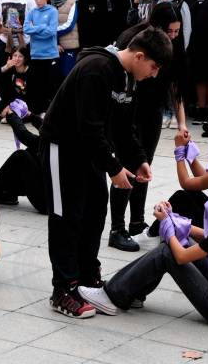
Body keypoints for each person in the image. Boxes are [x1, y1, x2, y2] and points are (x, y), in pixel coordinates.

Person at [40, 27, 172, 318]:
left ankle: (87, 279)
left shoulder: (128, 78)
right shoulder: (95, 69)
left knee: (95, 211)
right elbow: (89, 128)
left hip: (89, 152)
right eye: (153, 67)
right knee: (66, 217)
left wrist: (138, 159)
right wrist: (113, 168)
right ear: (139, 56)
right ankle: (63, 288)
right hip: (62, 147)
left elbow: (123, 127)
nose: (154, 74)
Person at [78, 179, 208, 325]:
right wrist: (174, 220)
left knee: (167, 252)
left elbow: (181, 257)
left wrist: (168, 227)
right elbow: (207, 236)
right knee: (183, 241)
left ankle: (112, 295)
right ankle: (134, 294)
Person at [108, 3, 189, 252]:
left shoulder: (172, 47)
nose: (173, 36)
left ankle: (136, 221)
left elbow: (175, 87)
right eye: (170, 31)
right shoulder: (135, 39)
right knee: (127, 164)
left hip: (152, 112)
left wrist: (182, 122)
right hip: (128, 109)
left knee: (144, 165)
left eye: (177, 32)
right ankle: (117, 227)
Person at [0, 101, 47, 213]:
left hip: (50, 204)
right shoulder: (69, 136)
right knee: (30, 154)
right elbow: (46, 128)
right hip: (56, 201)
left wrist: (11, 116)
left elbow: (24, 136)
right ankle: (8, 192)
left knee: (21, 156)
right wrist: (31, 116)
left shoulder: (58, 141)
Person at [23, 0, 60, 114]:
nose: (38, 1)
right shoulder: (32, 12)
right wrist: (41, 27)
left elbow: (51, 32)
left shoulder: (52, 11)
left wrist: (35, 29)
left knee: (50, 85)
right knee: (36, 86)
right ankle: (37, 111)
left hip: (50, 55)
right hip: (35, 55)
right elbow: (26, 29)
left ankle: (49, 112)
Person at [50, 0, 79, 81]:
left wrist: (52, 32)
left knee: (68, 76)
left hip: (69, 47)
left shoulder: (72, 2)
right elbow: (45, 25)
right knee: (55, 78)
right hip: (53, 47)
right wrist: (55, 42)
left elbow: (69, 25)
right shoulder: (48, 2)